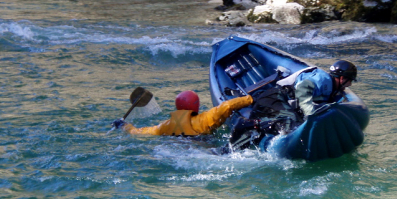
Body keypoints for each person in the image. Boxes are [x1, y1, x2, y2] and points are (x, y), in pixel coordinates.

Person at [228, 60, 358, 149]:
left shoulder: (333, 90)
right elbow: (302, 90)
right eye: (349, 81)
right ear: (341, 78)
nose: (350, 85)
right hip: (274, 97)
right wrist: (310, 113)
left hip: (281, 103)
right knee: (291, 121)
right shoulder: (322, 79)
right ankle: (248, 125)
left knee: (295, 121)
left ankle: (259, 132)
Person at [113, 90, 253, 136]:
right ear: (195, 106)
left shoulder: (166, 126)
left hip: (178, 149)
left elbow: (139, 132)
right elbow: (227, 106)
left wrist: (124, 125)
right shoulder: (205, 119)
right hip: (202, 146)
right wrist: (250, 98)